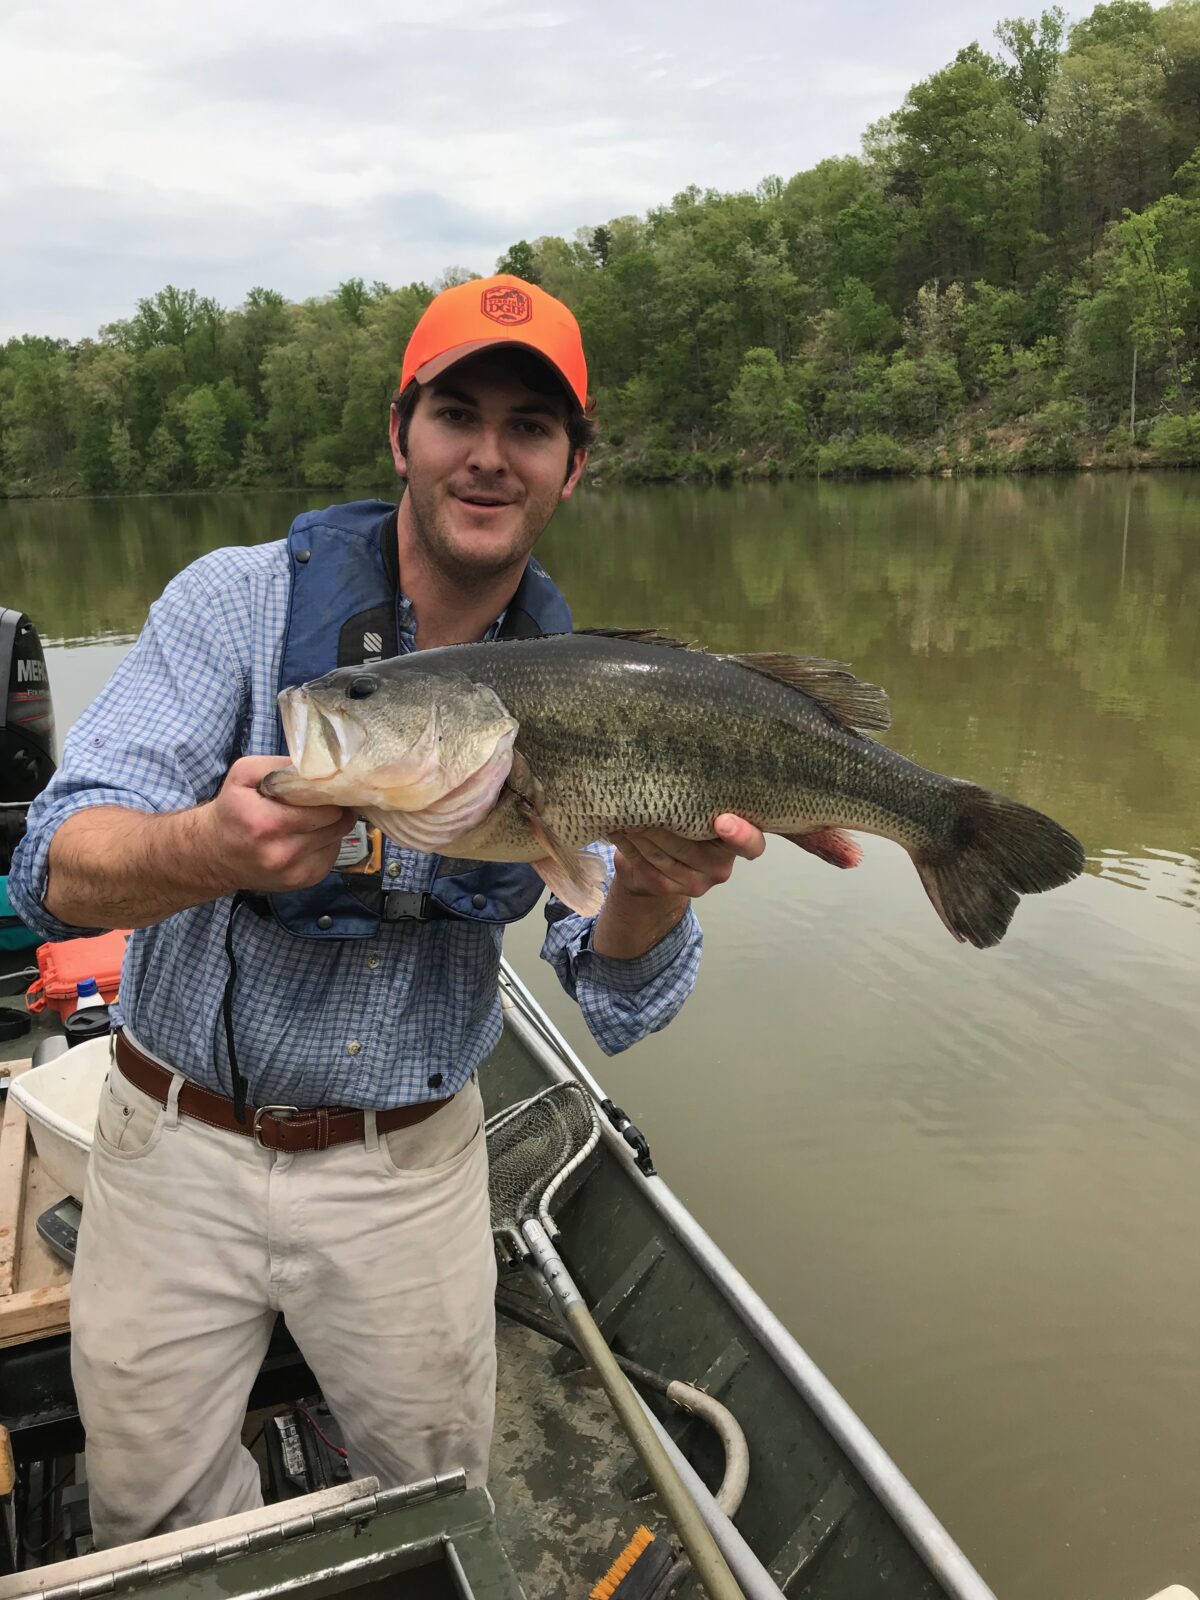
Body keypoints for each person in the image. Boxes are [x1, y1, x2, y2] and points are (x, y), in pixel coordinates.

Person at [8, 274, 766, 1550]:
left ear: (572, 467)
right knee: (153, 1522)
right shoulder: (236, 605)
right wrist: (206, 846)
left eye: (530, 427)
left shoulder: (590, 686)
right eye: (457, 414)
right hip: (174, 1147)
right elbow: (53, 863)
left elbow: (615, 991)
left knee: (435, 1511)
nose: (489, 455)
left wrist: (646, 885)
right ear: (401, 432)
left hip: (408, 1167)